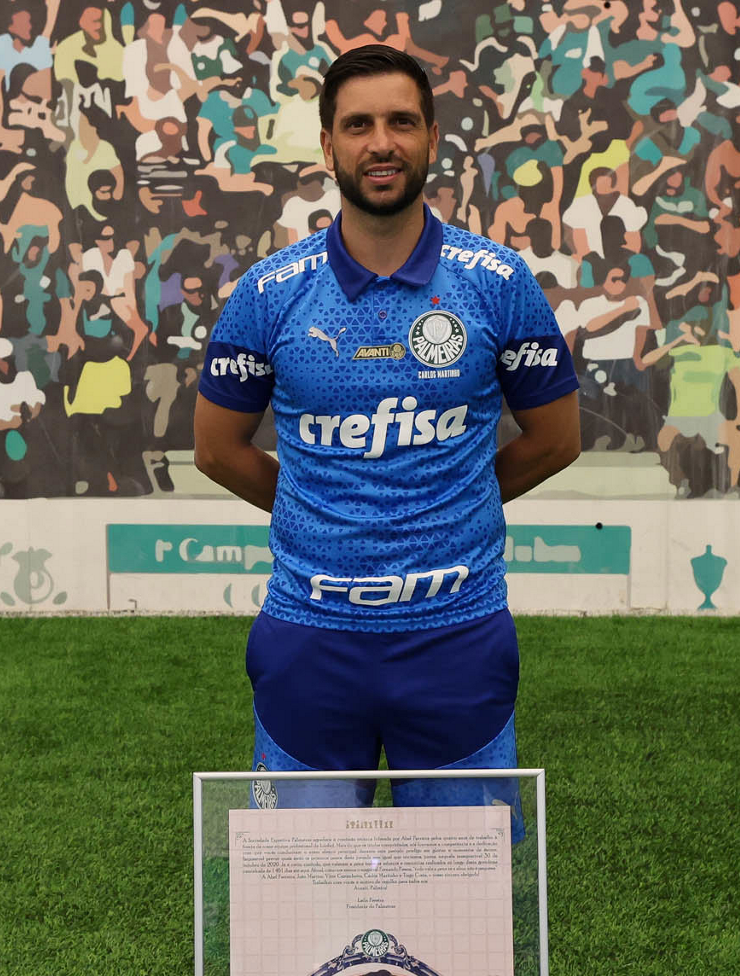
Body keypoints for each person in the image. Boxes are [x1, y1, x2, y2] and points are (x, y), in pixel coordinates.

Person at [193, 45, 579, 829]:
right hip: (310, 634)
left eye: (402, 122)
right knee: (300, 883)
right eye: (358, 125)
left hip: (457, 633)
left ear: (432, 138)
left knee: (461, 887)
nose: (382, 143)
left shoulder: (496, 281)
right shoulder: (269, 292)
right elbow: (217, 450)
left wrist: (449, 497)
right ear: (328, 145)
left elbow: (556, 438)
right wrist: (317, 507)